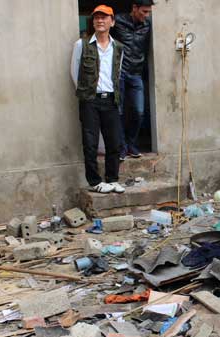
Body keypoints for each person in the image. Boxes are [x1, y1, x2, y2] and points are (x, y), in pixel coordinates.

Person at [70, 5, 126, 194]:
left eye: (104, 17)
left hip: (111, 99)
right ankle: (94, 182)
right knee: (90, 142)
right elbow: (74, 72)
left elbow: (117, 73)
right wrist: (86, 93)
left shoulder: (118, 47)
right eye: (96, 17)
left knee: (114, 142)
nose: (100, 20)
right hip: (90, 100)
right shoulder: (81, 44)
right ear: (93, 22)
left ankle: (112, 179)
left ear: (112, 22)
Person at [111, 0, 155, 161]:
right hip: (120, 72)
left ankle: (131, 143)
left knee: (139, 111)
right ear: (134, 8)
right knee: (119, 111)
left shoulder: (147, 25)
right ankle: (122, 146)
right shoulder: (118, 21)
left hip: (136, 73)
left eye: (148, 12)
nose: (147, 15)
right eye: (144, 11)